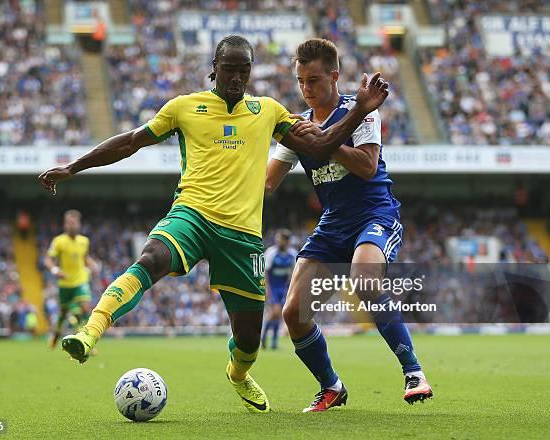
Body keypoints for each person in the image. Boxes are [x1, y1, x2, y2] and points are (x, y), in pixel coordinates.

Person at [38, 34, 389, 413]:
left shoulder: (269, 111)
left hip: (242, 236)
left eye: (244, 70)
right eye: (229, 69)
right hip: (192, 215)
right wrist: (74, 166)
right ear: (214, 69)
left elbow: (321, 146)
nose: (237, 77)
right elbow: (131, 141)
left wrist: (359, 111)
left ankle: (238, 374)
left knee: (249, 339)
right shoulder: (185, 107)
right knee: (151, 258)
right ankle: (91, 331)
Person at [266, 38, 432, 412]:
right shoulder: (299, 128)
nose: (306, 90)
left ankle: (414, 372)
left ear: (334, 76)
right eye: (300, 81)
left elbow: (367, 166)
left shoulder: (360, 111)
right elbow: (267, 182)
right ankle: (331, 387)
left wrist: (323, 143)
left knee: (364, 279)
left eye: (313, 80)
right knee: (293, 313)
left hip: (375, 213)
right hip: (333, 224)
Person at [44, 210, 99, 349]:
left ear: (79, 224)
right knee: (63, 314)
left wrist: (93, 266)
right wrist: (55, 270)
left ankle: (86, 340)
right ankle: (56, 336)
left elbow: (85, 258)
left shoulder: (84, 241)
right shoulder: (59, 241)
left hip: (81, 280)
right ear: (65, 225)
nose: (73, 225)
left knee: (85, 308)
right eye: (70, 223)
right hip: (65, 283)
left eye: (75, 222)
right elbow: (48, 260)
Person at [261, 229, 297, 349]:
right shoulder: (271, 253)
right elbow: (265, 272)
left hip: (283, 288)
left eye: (280, 239)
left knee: (278, 314)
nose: (277, 241)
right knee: (276, 312)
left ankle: (273, 342)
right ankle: (263, 336)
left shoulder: (292, 254)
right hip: (272, 287)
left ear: (286, 241)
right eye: (277, 239)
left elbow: (294, 273)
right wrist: (266, 288)